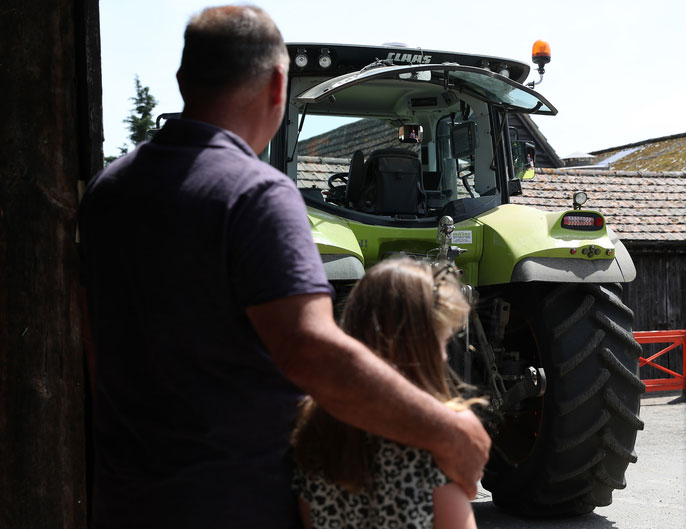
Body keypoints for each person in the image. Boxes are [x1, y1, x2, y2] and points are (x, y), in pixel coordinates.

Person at [77, 5, 489, 529]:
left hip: (126, 499)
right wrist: (447, 429)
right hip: (234, 504)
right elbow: (308, 350)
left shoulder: (107, 193)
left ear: (183, 80)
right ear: (277, 84)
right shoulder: (257, 193)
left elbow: (94, 344)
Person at [291, 258, 482, 529]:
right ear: (420, 346)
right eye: (443, 342)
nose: (443, 355)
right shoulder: (436, 443)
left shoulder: (314, 431)